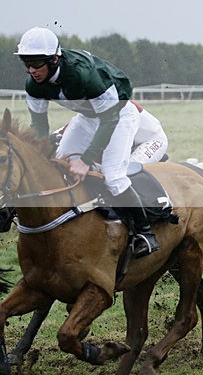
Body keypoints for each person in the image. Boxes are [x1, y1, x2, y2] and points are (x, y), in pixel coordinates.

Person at [15, 26, 160, 257]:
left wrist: (87, 159)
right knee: (60, 166)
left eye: (37, 63)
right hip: (87, 118)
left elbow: (110, 117)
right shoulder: (33, 85)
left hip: (118, 115)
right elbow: (40, 127)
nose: (32, 70)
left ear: (53, 59)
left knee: (113, 177)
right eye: (27, 64)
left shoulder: (83, 74)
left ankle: (145, 233)